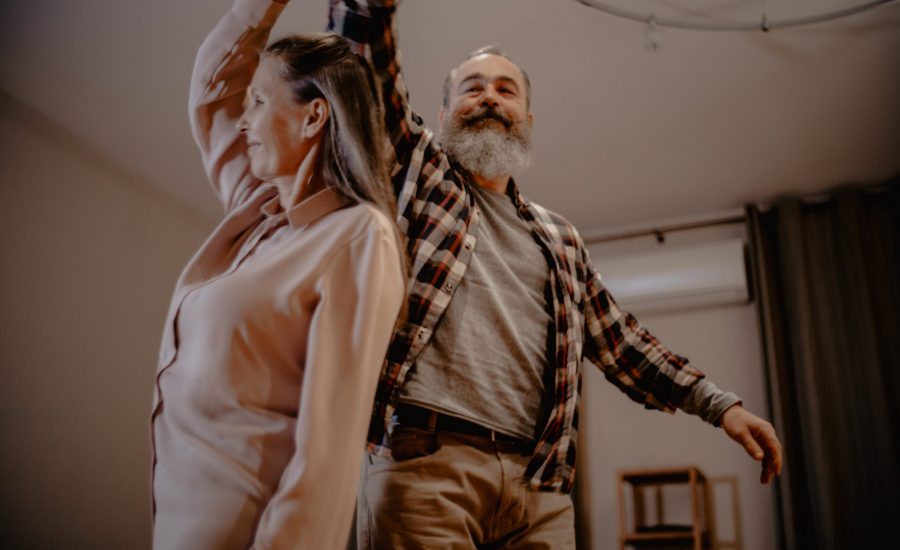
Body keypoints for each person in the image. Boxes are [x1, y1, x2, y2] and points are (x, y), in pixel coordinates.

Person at [327, 0, 782, 548]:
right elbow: (369, 72)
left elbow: (624, 342)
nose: (489, 96)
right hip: (425, 466)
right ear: (442, 114)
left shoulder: (560, 237)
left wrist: (720, 405)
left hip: (539, 488)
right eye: (471, 88)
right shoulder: (421, 177)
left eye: (505, 89)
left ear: (527, 119)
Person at [149, 0, 406, 548]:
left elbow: (329, 456)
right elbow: (211, 94)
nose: (244, 119)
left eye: (260, 101)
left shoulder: (358, 235)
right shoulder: (255, 212)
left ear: (315, 117)